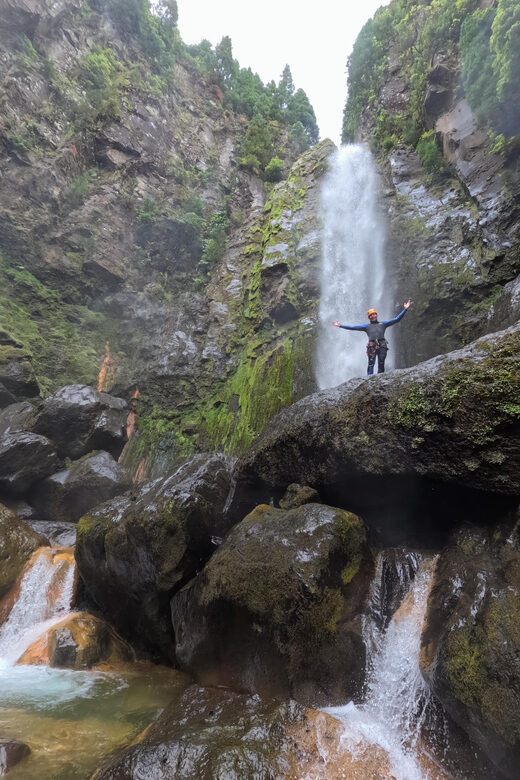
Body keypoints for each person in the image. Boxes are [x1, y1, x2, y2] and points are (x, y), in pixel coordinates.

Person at [332, 300, 412, 376]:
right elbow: (353, 327)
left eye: (374, 314)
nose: (373, 316)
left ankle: (380, 379)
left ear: (377, 315)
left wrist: (405, 310)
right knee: (371, 363)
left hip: (382, 344)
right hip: (372, 345)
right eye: (371, 315)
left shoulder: (383, 324)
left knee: (381, 363)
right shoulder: (366, 326)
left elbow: (396, 319)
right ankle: (368, 379)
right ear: (369, 317)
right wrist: (340, 325)